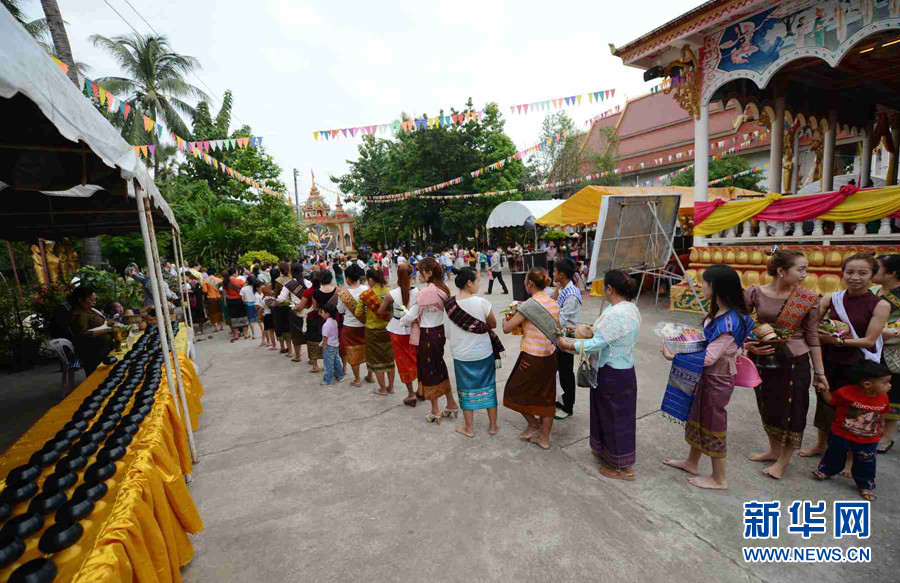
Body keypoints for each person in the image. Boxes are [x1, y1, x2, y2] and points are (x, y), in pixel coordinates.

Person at [661, 264, 754, 490]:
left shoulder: (730, 322)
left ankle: (719, 478)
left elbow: (708, 358)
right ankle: (692, 462)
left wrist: (674, 355)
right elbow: (704, 342)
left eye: (704, 283)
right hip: (704, 378)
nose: (701, 286)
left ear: (716, 288)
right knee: (697, 418)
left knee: (713, 424)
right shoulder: (718, 313)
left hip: (717, 380)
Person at [743, 250, 827, 479]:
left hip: (794, 361)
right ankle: (773, 450)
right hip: (762, 357)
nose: (805, 274)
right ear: (781, 271)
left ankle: (783, 460)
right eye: (800, 269)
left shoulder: (807, 299)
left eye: (806, 269)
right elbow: (740, 323)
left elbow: (812, 337)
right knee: (767, 404)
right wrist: (748, 345)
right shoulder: (754, 292)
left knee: (793, 410)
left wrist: (819, 372)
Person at [800, 253, 890, 457]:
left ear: (872, 276)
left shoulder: (880, 305)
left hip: (858, 364)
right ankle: (821, 444)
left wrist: (836, 340)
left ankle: (850, 456)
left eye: (862, 273)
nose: (855, 277)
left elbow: (869, 340)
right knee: (824, 402)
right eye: (849, 272)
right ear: (842, 274)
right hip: (829, 360)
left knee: (855, 408)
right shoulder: (833, 298)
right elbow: (812, 325)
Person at [558, 270, 640, 480]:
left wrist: (568, 344)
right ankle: (607, 452)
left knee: (616, 418)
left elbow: (597, 343)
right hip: (618, 370)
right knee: (606, 413)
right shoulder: (628, 308)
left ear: (610, 289)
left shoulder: (617, 313)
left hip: (613, 373)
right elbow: (600, 334)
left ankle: (624, 468)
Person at [813, 361, 892, 501]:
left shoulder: (883, 397)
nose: (889, 386)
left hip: (869, 439)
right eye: (885, 383)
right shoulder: (846, 392)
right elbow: (831, 401)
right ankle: (826, 470)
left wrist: (882, 427)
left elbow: (883, 413)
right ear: (867, 384)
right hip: (841, 434)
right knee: (834, 453)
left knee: (866, 462)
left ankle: (865, 484)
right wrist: (824, 390)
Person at [501, 268, 560, 450]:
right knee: (547, 396)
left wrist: (506, 319)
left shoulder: (528, 306)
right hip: (550, 356)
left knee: (513, 392)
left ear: (530, 284)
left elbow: (507, 328)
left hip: (531, 357)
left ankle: (534, 424)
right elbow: (557, 330)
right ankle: (544, 439)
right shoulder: (554, 304)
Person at [445, 267, 503, 437]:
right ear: (469, 283)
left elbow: (447, 333)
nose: (479, 284)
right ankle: (493, 426)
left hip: (461, 355)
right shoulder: (482, 303)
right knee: (488, 387)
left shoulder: (449, 305)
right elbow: (492, 324)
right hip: (483, 354)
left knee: (465, 390)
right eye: (478, 281)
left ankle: (469, 428)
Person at [399, 257, 459, 423]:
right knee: (439, 366)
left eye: (421, 271)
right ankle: (451, 403)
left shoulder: (425, 293)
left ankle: (435, 410)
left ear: (429, 273)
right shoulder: (443, 290)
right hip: (440, 334)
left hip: (427, 334)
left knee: (428, 371)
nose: (418, 274)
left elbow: (412, 314)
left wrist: (402, 317)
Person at [379, 263, 420, 407]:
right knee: (417, 360)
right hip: (414, 330)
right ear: (412, 275)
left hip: (397, 331)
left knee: (403, 363)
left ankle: (411, 394)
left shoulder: (391, 294)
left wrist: (392, 311)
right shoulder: (417, 292)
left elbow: (380, 311)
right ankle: (420, 389)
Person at [550, 258, 582, 420]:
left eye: (555, 271)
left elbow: (560, 321)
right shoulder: (564, 289)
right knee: (558, 371)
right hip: (559, 337)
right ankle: (560, 401)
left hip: (566, 338)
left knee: (565, 372)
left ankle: (568, 406)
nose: (552, 273)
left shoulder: (571, 295)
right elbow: (552, 301)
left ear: (561, 274)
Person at [875, 254, 900, 453]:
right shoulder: (876, 291)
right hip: (872, 347)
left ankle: (887, 435)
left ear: (891, 273)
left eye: (877, 268)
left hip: (894, 351)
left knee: (893, 394)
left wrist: (880, 331)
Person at [355, 268, 395, 395]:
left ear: (371, 279)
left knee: (377, 360)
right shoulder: (391, 292)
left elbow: (358, 313)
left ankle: (382, 389)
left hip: (372, 330)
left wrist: (367, 319)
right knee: (389, 358)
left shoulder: (366, 295)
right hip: (389, 328)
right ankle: (391, 387)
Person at [339, 264, 375, 387]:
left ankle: (357, 379)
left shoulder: (343, 293)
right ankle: (370, 375)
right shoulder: (366, 289)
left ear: (348, 278)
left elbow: (340, 310)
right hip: (366, 324)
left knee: (352, 351)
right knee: (368, 349)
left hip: (350, 326)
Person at [70, 286, 114, 376]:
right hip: (92, 350)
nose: (94, 301)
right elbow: (82, 334)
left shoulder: (89, 309)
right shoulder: (79, 314)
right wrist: (106, 330)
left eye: (95, 299)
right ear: (81, 300)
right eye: (91, 299)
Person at [310, 270, 338, 372]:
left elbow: (314, 308)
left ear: (320, 280)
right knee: (336, 342)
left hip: (323, 321)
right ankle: (339, 368)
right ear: (331, 279)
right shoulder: (337, 290)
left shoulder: (316, 293)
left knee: (326, 342)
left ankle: (327, 367)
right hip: (336, 319)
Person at [319, 303, 344, 386]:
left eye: (322, 312)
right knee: (337, 361)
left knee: (328, 364)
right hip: (335, 344)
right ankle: (340, 376)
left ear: (327, 314)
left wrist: (324, 347)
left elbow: (325, 337)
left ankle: (328, 381)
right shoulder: (335, 322)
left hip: (328, 346)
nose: (321, 314)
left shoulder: (326, 325)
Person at [225, 268, 249, 342]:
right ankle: (245, 334)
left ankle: (236, 334)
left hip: (230, 301)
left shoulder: (225, 282)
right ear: (235, 273)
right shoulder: (239, 281)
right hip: (240, 300)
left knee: (233, 317)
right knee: (242, 315)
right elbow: (245, 287)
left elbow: (225, 293)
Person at [241, 275, 260, 340]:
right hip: (257, 304)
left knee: (251, 321)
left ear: (247, 281)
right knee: (259, 320)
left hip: (248, 305)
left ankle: (253, 334)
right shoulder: (256, 288)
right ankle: (263, 331)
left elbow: (243, 300)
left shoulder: (244, 289)